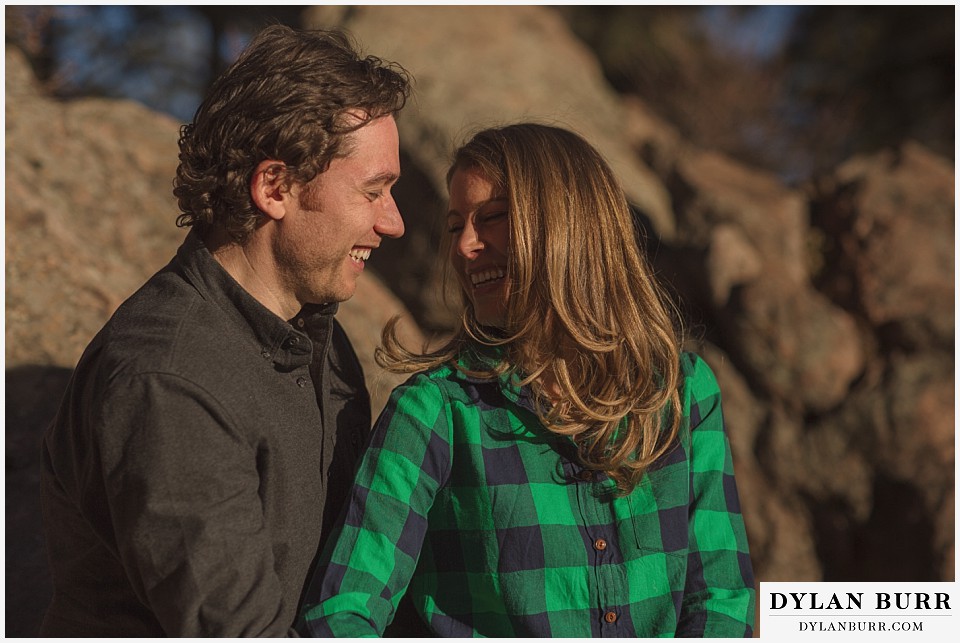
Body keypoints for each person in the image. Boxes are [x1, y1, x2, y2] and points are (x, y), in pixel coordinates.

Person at [297, 123, 756, 637]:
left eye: (491, 218)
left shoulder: (683, 392)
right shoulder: (436, 413)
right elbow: (341, 616)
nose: (466, 246)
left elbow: (719, 596)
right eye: (455, 227)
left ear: (569, 227)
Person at [38, 25, 411, 636]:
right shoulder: (170, 379)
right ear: (275, 188)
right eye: (373, 191)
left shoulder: (320, 339)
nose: (392, 223)